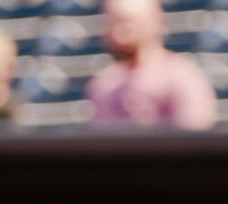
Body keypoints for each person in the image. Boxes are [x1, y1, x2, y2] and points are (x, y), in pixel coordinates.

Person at [86, 0, 217, 130]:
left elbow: (196, 142)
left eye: (127, 22)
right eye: (112, 23)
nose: (119, 34)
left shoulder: (184, 78)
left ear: (155, 22)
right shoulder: (104, 85)